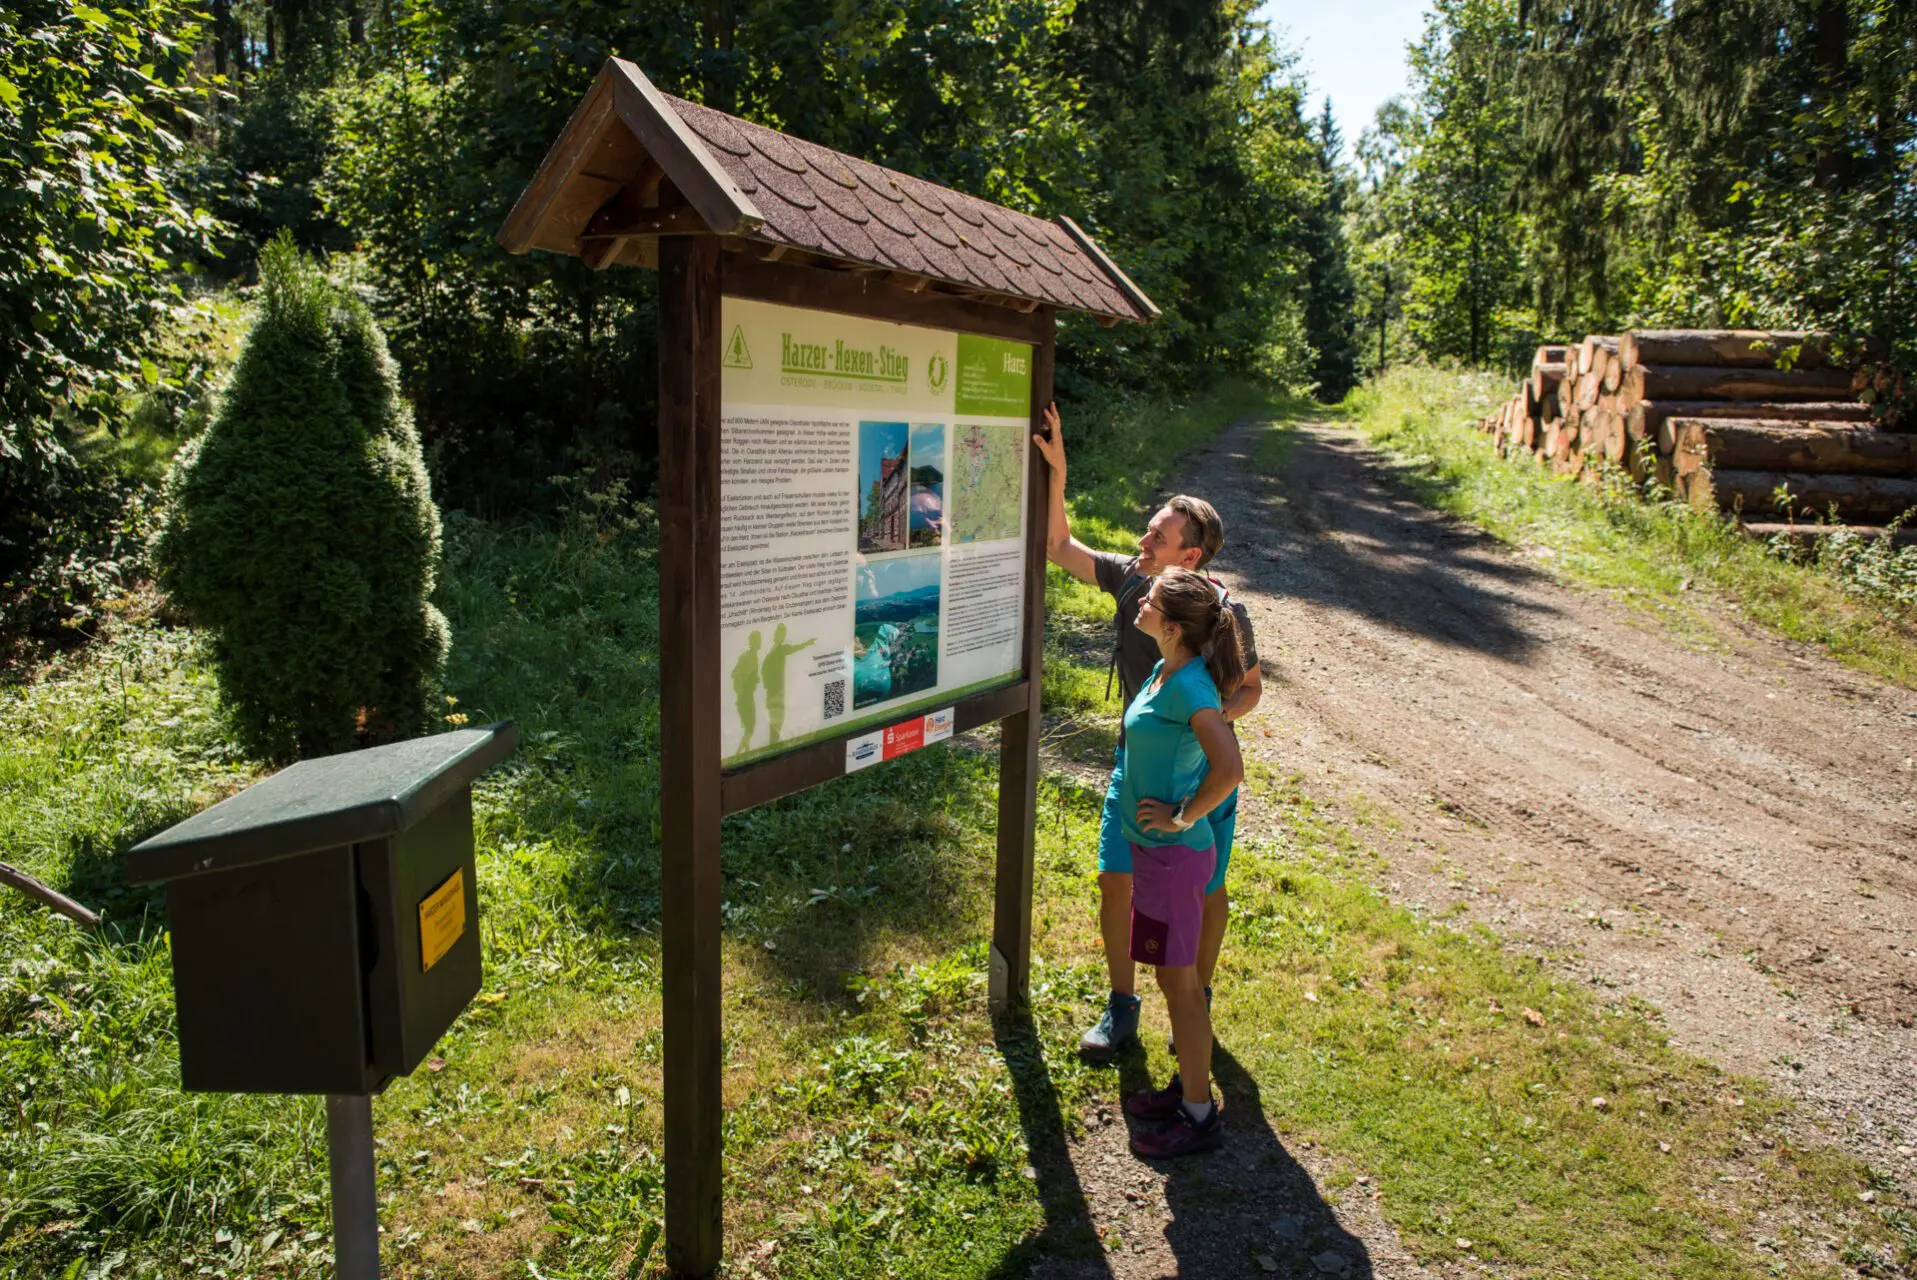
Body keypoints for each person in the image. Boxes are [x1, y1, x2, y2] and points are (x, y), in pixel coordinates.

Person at [1031, 404, 1262, 1062]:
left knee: (1207, 888)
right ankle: (1121, 1005)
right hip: (1133, 768)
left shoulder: (1223, 613)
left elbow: (1249, 689)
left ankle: (1195, 999)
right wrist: (1058, 469)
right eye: (1148, 528)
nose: (1142, 540)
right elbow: (1059, 547)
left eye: (1157, 537)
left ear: (1189, 556)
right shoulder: (1134, 583)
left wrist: (1198, 725)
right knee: (1116, 878)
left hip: (1199, 777)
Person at [1118, 567, 1246, 1156]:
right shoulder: (1167, 670)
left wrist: (1183, 816)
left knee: (1182, 986)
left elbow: (1230, 768)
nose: (1140, 601)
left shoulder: (1191, 687)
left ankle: (1198, 1115)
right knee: (1174, 980)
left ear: (1171, 627)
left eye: (1150, 600)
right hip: (1156, 859)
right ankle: (1189, 1086)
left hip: (1173, 860)